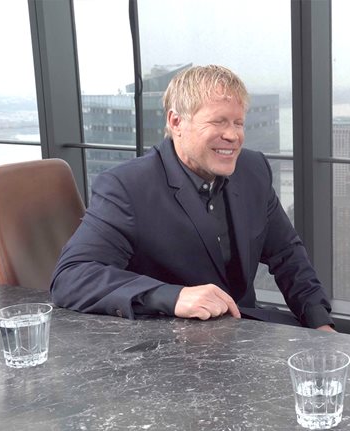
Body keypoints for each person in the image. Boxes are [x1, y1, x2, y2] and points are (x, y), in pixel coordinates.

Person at [51, 65, 334, 332]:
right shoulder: (127, 187)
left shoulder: (253, 170)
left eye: (238, 123)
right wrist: (174, 297)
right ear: (176, 122)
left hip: (245, 335)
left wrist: (320, 323)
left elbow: (287, 255)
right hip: (169, 349)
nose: (233, 135)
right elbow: (72, 276)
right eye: (218, 121)